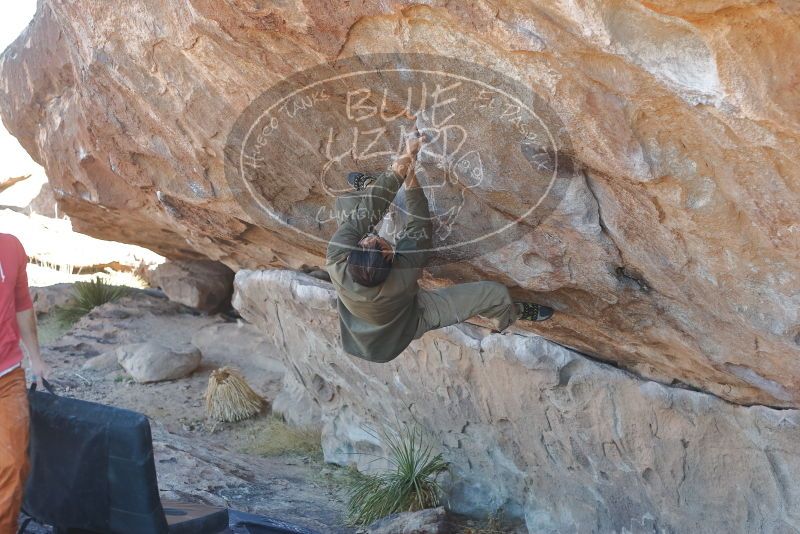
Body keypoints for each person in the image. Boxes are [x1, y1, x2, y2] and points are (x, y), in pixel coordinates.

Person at [326, 131, 553, 363]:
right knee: (495, 294)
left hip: (365, 317)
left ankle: (371, 186)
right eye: (373, 242)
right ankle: (509, 313)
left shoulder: (336, 258)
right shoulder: (403, 275)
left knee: (349, 206)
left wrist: (403, 161)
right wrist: (410, 174)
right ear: (389, 256)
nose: (366, 239)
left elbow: (367, 212)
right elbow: (419, 222)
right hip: (410, 319)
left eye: (363, 243)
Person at [0, 233, 50, 533]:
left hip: (7, 375)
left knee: (13, 463)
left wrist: (37, 359)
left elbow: (21, 305)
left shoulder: (11, 247)